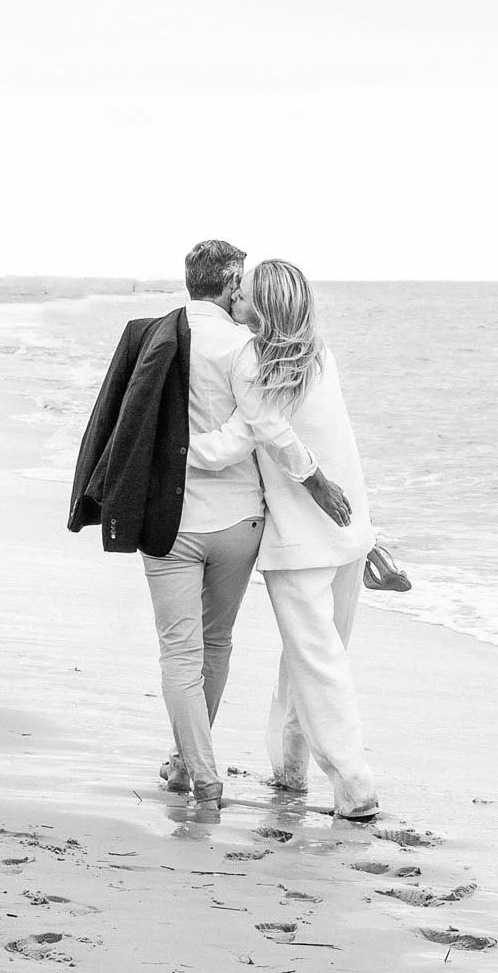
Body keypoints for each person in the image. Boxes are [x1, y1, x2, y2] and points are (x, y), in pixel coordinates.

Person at [69, 241, 349, 814]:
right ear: (230, 284)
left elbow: (120, 416)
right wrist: (316, 480)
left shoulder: (150, 336)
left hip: (169, 525)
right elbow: (267, 426)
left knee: (179, 653)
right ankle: (187, 762)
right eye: (241, 283)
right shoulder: (245, 349)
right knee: (216, 644)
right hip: (239, 524)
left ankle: (199, 771)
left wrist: (166, 456)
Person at [189, 259, 379, 819]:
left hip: (301, 541)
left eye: (244, 296)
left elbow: (249, 438)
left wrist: (170, 453)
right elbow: (301, 434)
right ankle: (290, 765)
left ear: (265, 308)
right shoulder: (321, 358)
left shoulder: (251, 360)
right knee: (315, 658)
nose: (235, 303)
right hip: (350, 531)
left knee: (316, 661)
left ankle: (354, 783)